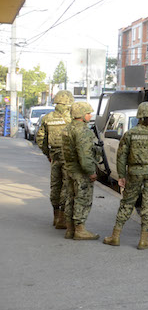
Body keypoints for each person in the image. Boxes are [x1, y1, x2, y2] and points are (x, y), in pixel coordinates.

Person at [103, 102, 148, 249]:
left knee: (127, 203)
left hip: (134, 172)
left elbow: (121, 156)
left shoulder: (130, 134)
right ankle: (143, 240)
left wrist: (121, 175)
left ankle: (115, 236)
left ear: (139, 116)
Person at [61, 101, 100, 240]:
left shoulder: (68, 128)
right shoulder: (82, 131)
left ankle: (70, 229)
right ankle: (80, 230)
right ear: (82, 114)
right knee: (82, 199)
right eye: (88, 113)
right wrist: (91, 172)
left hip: (70, 169)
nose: (90, 116)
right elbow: (84, 155)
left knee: (70, 199)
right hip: (81, 172)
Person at [36, 90, 74, 229]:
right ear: (68, 102)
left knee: (55, 185)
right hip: (68, 156)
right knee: (66, 185)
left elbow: (40, 138)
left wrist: (48, 154)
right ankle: (62, 219)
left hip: (55, 155)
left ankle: (56, 216)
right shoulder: (71, 118)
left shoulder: (47, 118)